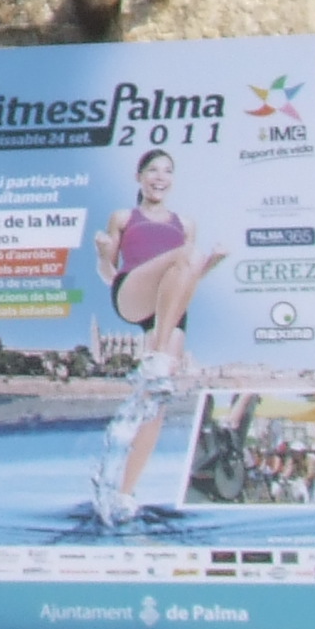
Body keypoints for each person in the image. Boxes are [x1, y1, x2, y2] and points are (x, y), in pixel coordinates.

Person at [90, 148, 229, 514]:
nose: (160, 177)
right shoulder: (124, 217)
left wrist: (210, 263)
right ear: (140, 176)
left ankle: (123, 492)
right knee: (189, 255)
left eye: (167, 171)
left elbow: (189, 279)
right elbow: (109, 275)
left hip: (168, 310)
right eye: (153, 169)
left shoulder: (186, 223)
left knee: (157, 402)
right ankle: (155, 354)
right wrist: (104, 253)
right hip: (133, 292)